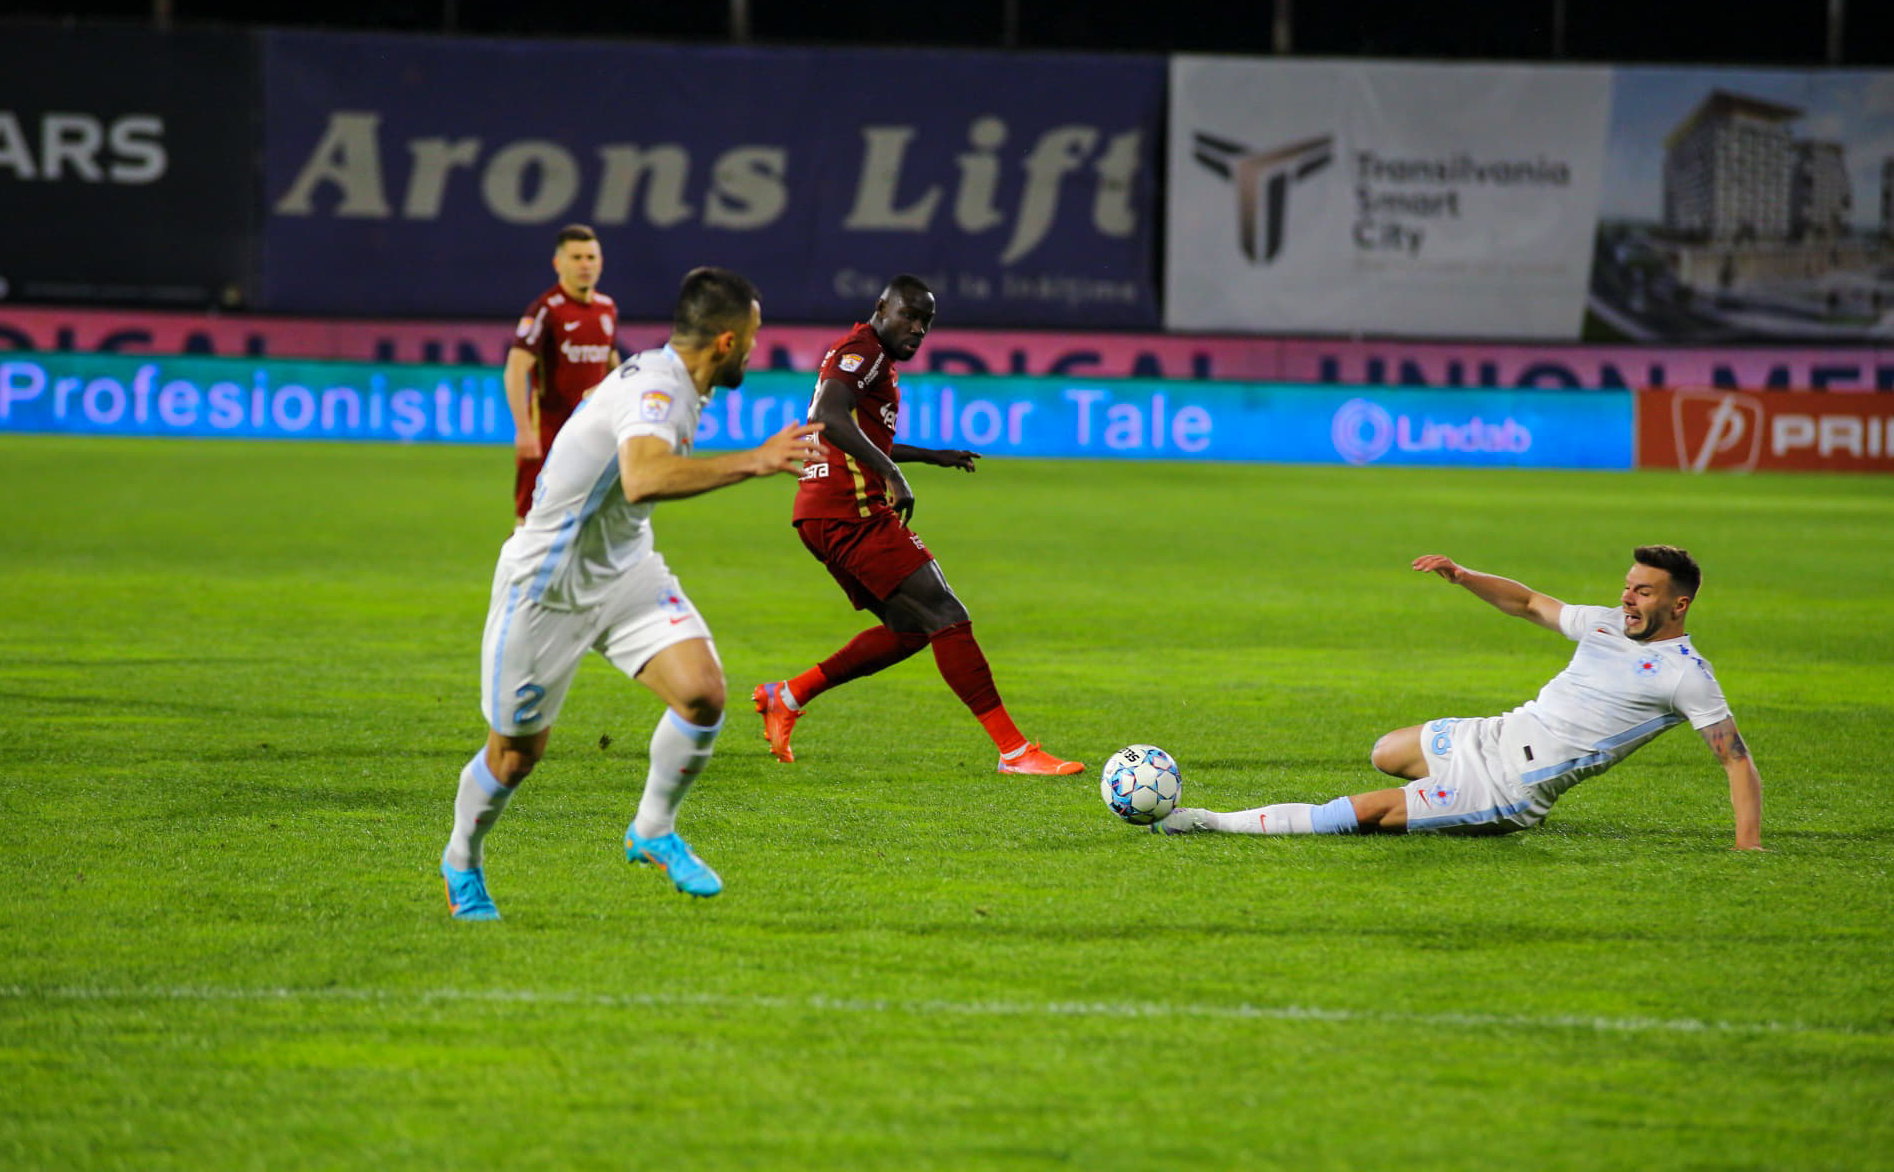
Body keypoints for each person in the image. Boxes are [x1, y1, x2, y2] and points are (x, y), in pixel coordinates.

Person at [441, 267, 820, 918]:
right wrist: (755, 460)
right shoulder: (656, 390)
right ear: (726, 342)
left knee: (702, 695)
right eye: (754, 338)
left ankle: (652, 830)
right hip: (546, 585)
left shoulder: (677, 384)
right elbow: (643, 478)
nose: (758, 350)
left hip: (623, 571)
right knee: (514, 756)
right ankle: (462, 864)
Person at [1156, 546, 1763, 849]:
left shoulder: (1685, 676)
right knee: (1386, 751)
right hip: (1491, 735)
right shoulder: (1606, 622)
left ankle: (1211, 821)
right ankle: (1429, 796)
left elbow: (1735, 757)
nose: (1628, 599)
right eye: (1628, 587)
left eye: (1644, 593)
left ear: (1678, 605)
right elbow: (1529, 603)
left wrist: (1748, 845)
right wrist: (1465, 577)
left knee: (1364, 812)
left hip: (1508, 788)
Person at [751, 274, 1082, 777]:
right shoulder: (862, 352)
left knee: (910, 629)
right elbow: (827, 415)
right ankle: (1015, 753)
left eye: (926, 321)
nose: (918, 328)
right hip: (850, 509)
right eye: (909, 315)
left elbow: (856, 428)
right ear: (881, 308)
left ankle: (788, 695)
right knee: (948, 615)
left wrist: (930, 456)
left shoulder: (868, 357)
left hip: (825, 511)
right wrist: (891, 472)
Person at [505, 224, 619, 522]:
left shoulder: (607, 309)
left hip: (593, 437)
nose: (585, 265)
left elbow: (612, 366)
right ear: (559, 263)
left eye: (591, 257)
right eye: (577, 257)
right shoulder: (545, 310)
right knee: (531, 525)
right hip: (549, 436)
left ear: (601, 262)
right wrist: (524, 430)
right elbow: (516, 369)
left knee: (590, 523)